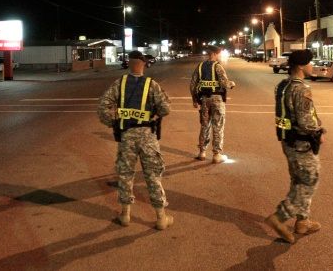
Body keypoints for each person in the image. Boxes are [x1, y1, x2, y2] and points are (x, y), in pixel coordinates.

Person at [97, 50, 173, 230]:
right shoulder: (151, 85)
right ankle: (161, 218)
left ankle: (125, 215)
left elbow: (102, 107)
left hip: (127, 136)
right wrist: (153, 115)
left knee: (125, 175)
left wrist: (113, 122)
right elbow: (165, 108)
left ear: (129, 64)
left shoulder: (119, 84)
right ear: (143, 64)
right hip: (147, 136)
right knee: (153, 176)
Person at [265, 49, 326, 244]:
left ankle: (303, 221)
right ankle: (280, 216)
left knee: (298, 180)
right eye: (309, 62)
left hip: (288, 140)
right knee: (309, 180)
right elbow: (306, 121)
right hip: (301, 143)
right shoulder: (301, 89)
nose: (312, 65)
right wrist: (319, 132)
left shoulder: (282, 85)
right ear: (301, 66)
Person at [189, 44, 235, 163]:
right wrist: (232, 84)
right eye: (219, 54)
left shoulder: (200, 67)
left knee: (205, 126)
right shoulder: (218, 67)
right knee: (218, 126)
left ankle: (202, 152)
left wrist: (194, 100)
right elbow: (224, 84)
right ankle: (216, 155)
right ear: (214, 54)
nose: (220, 56)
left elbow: (193, 84)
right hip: (217, 100)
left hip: (204, 100)